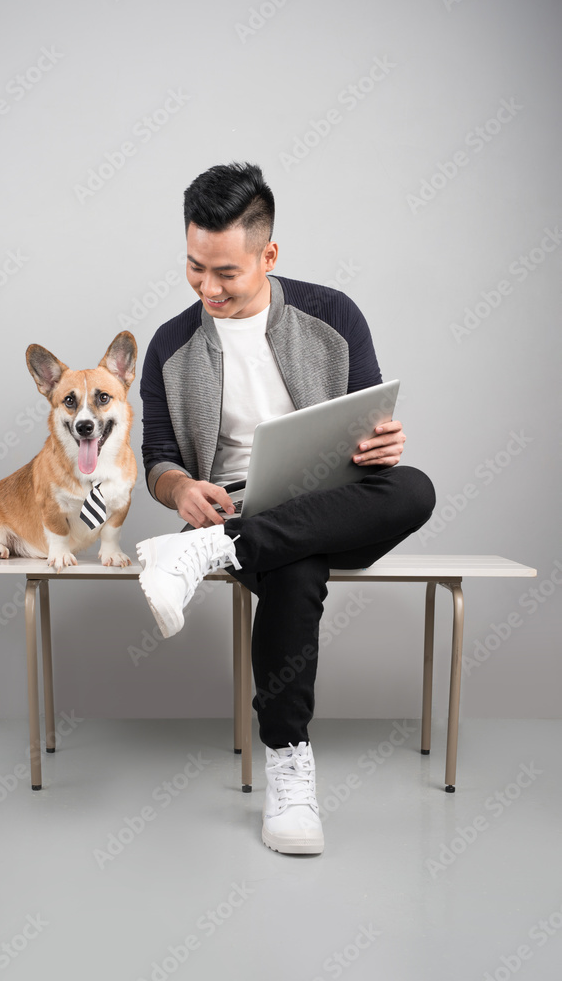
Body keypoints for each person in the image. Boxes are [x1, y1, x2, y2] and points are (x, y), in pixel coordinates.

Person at [136, 162, 435, 855]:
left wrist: (381, 445)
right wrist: (180, 490)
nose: (206, 287)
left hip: (333, 500)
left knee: (413, 486)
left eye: (225, 273)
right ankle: (289, 768)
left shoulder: (331, 316)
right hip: (230, 508)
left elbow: (369, 419)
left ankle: (217, 549)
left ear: (267, 255)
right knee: (296, 570)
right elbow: (157, 457)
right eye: (193, 267)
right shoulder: (170, 346)